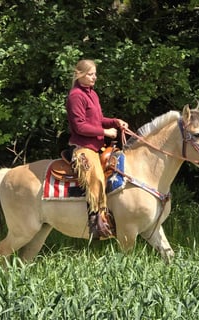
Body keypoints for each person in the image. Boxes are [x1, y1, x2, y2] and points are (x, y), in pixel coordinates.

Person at [65, 59, 128, 240]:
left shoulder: (92, 94)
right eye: (91, 74)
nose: (95, 77)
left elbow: (98, 119)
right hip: (83, 148)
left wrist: (115, 122)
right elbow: (79, 126)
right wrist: (105, 132)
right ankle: (96, 222)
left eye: (95, 74)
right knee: (97, 177)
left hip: (96, 147)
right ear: (80, 75)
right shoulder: (76, 95)